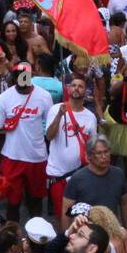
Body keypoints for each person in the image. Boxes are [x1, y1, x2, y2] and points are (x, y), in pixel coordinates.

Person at [0, 63, 54, 223]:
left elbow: (51, 128)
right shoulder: (3, 98)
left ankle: (36, 239)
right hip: (12, 158)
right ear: (14, 76)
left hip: (37, 158)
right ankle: (12, 239)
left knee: (36, 202)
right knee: (12, 203)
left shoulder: (45, 96)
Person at [45, 75, 101, 222]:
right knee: (63, 218)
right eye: (73, 85)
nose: (76, 88)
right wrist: (59, 116)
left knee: (82, 217)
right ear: (68, 88)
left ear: (86, 92)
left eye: (80, 86)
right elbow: (49, 136)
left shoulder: (90, 117)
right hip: (58, 175)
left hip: (81, 174)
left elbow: (92, 146)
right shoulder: (56, 109)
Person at [61, 136, 127, 231]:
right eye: (99, 153)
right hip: (87, 234)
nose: (104, 156)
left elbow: (125, 203)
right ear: (89, 156)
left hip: (112, 230)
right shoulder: (77, 179)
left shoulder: (118, 174)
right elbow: (66, 210)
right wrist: (66, 238)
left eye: (106, 151)